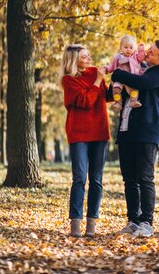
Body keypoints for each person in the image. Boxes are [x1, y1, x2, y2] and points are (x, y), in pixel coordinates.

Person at [111, 40, 159, 237]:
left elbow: (143, 84)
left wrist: (116, 72)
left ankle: (147, 222)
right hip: (126, 129)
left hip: (147, 132)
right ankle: (133, 219)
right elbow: (120, 88)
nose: (147, 53)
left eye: (153, 52)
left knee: (145, 178)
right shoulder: (140, 68)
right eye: (148, 50)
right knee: (129, 179)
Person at [60, 44, 111, 238]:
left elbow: (105, 97)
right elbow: (86, 101)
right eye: (84, 56)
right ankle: (75, 223)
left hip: (99, 131)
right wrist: (98, 80)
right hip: (79, 133)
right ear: (74, 60)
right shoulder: (69, 80)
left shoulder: (94, 74)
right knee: (80, 178)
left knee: (96, 180)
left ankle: (92, 223)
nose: (89, 59)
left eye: (89, 55)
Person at [105, 35, 146, 111]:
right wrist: (107, 69)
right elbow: (111, 65)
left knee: (134, 90)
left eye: (131, 48)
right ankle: (118, 103)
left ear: (134, 48)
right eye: (126, 47)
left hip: (131, 78)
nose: (128, 50)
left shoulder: (135, 56)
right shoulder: (118, 57)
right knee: (116, 90)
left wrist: (141, 50)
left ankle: (133, 101)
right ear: (121, 48)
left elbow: (142, 57)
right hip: (119, 79)